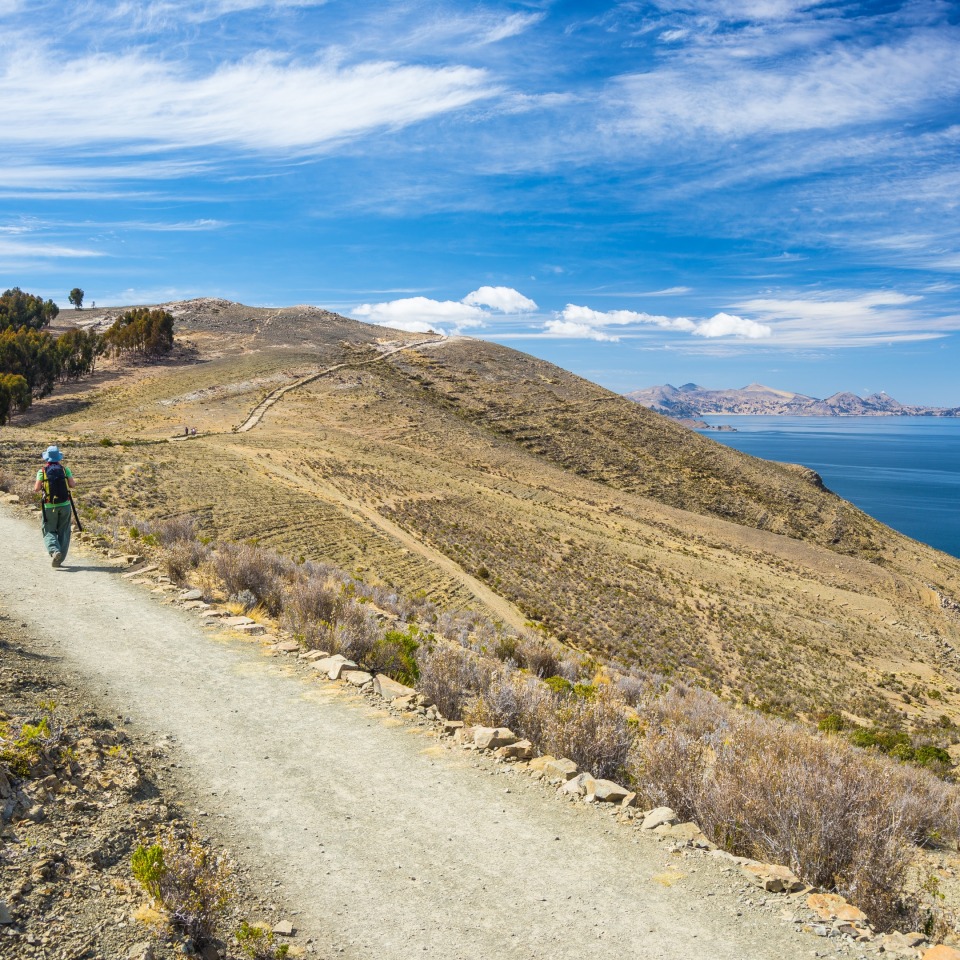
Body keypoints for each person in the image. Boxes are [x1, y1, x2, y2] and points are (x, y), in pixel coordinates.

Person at [33, 445, 76, 568]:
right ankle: (60, 559)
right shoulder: (65, 470)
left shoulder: (42, 471)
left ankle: (54, 551)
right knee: (64, 531)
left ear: (47, 458)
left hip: (49, 505)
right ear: (58, 458)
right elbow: (72, 485)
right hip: (65, 505)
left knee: (48, 530)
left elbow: (36, 488)